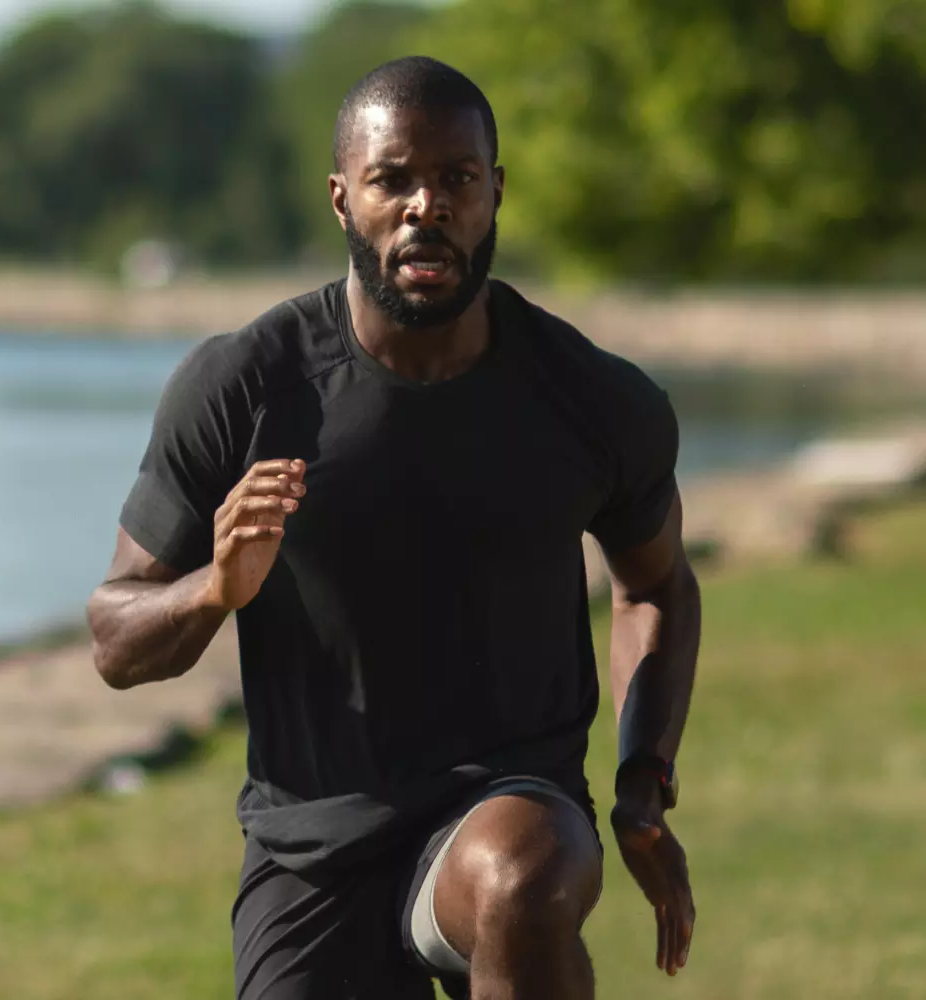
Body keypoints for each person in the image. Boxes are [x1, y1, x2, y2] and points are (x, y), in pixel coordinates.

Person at [87, 56, 700, 1000]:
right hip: (314, 839)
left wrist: (642, 780)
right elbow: (116, 641)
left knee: (517, 876)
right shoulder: (245, 386)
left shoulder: (591, 399)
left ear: (495, 193)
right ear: (342, 198)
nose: (427, 205)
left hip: (509, 800)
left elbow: (655, 582)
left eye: (457, 178)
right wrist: (215, 586)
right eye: (393, 179)